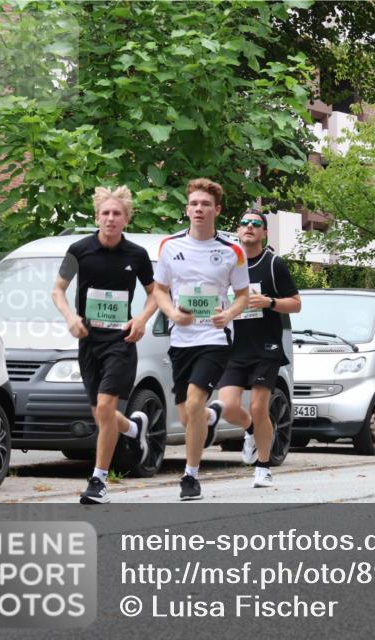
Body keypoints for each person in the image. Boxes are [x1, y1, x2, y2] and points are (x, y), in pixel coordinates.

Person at [52, 185, 157, 505]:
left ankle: (98, 480)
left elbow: (155, 294)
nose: (110, 219)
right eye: (105, 213)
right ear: (97, 217)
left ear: (126, 218)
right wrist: (70, 317)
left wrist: (140, 320)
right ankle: (134, 429)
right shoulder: (78, 250)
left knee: (107, 407)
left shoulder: (136, 255)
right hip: (89, 342)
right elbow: (58, 290)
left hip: (121, 342)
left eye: (117, 214)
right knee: (101, 412)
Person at [153, 178, 249, 500]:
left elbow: (243, 296)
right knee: (187, 415)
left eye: (205, 204)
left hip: (215, 336)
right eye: (193, 204)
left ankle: (190, 476)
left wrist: (229, 314)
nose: (198, 209)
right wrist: (173, 314)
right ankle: (211, 416)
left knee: (194, 401)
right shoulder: (170, 246)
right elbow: (160, 291)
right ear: (187, 209)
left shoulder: (231, 251)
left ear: (216, 210)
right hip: (181, 339)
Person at [212, 208, 300, 489]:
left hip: (266, 346)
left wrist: (270, 302)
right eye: (244, 223)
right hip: (234, 347)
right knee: (227, 407)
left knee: (260, 406)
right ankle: (251, 430)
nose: (249, 227)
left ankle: (263, 467)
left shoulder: (274, 264)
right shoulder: (228, 264)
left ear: (264, 233)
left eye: (256, 224)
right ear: (238, 231)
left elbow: (296, 304)